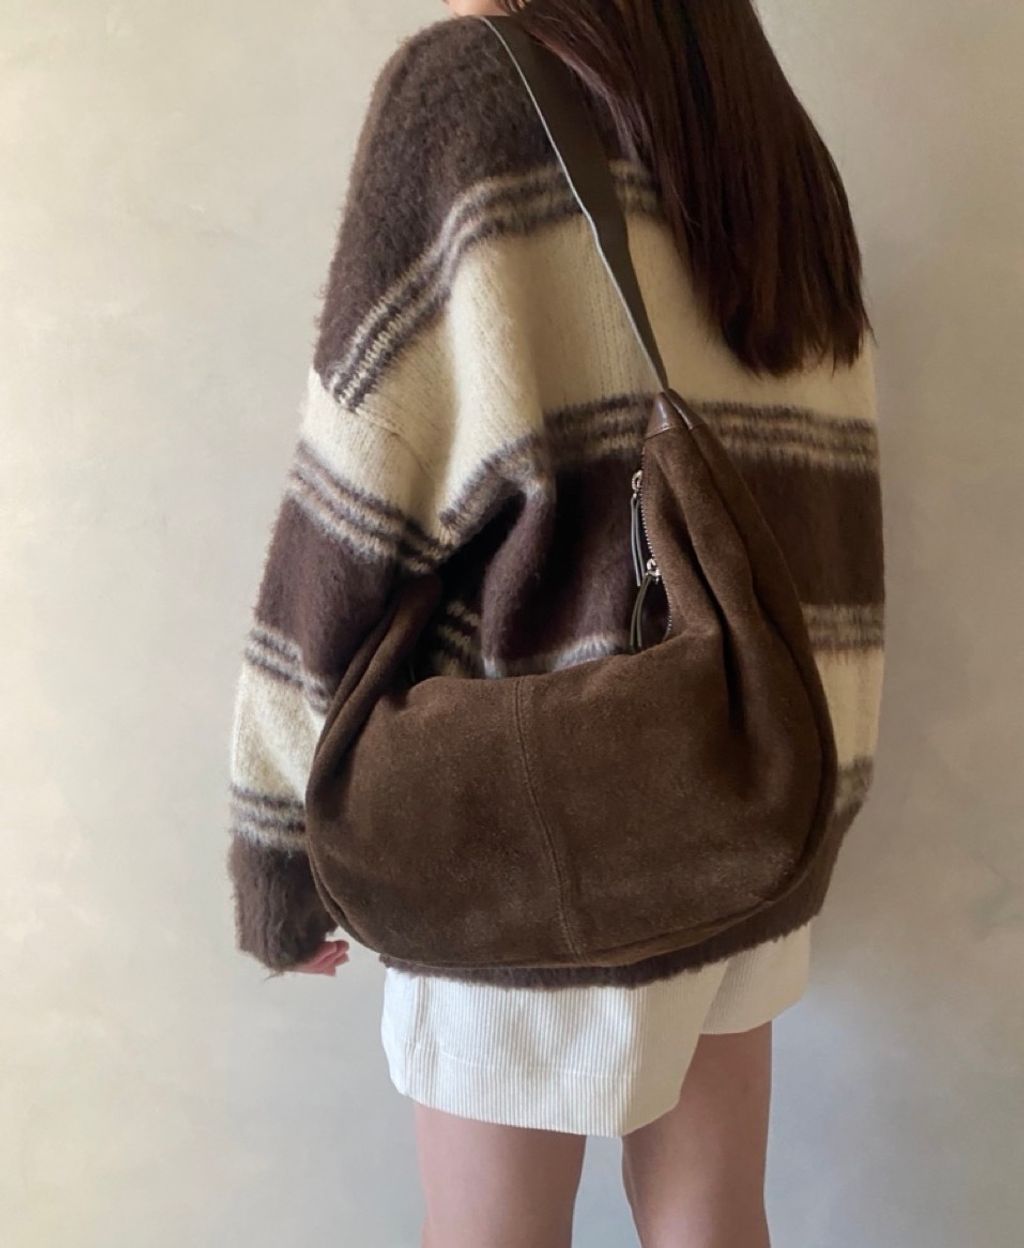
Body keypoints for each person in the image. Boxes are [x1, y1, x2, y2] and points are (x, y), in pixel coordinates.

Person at [224, 1, 885, 1244]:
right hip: (749, 801)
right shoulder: (770, 140)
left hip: (533, 820)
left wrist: (276, 846)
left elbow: (359, 495)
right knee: (710, 1219)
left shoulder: (468, 93)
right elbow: (827, 495)